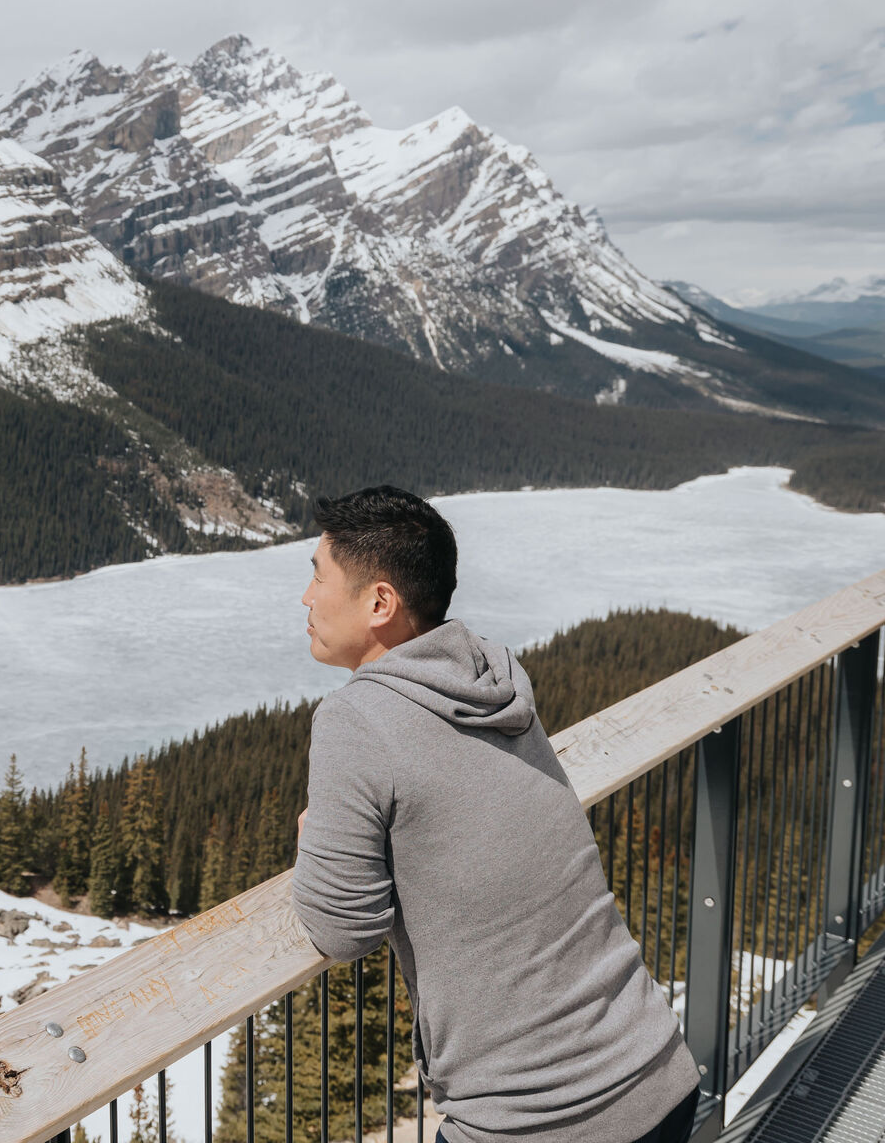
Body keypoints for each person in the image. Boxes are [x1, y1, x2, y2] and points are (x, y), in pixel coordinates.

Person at [290, 485, 700, 1143]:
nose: (306, 596)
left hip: (536, 1123)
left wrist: (317, 843)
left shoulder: (354, 718)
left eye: (318, 576)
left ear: (379, 603)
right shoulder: (492, 682)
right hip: (659, 1071)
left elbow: (343, 929)